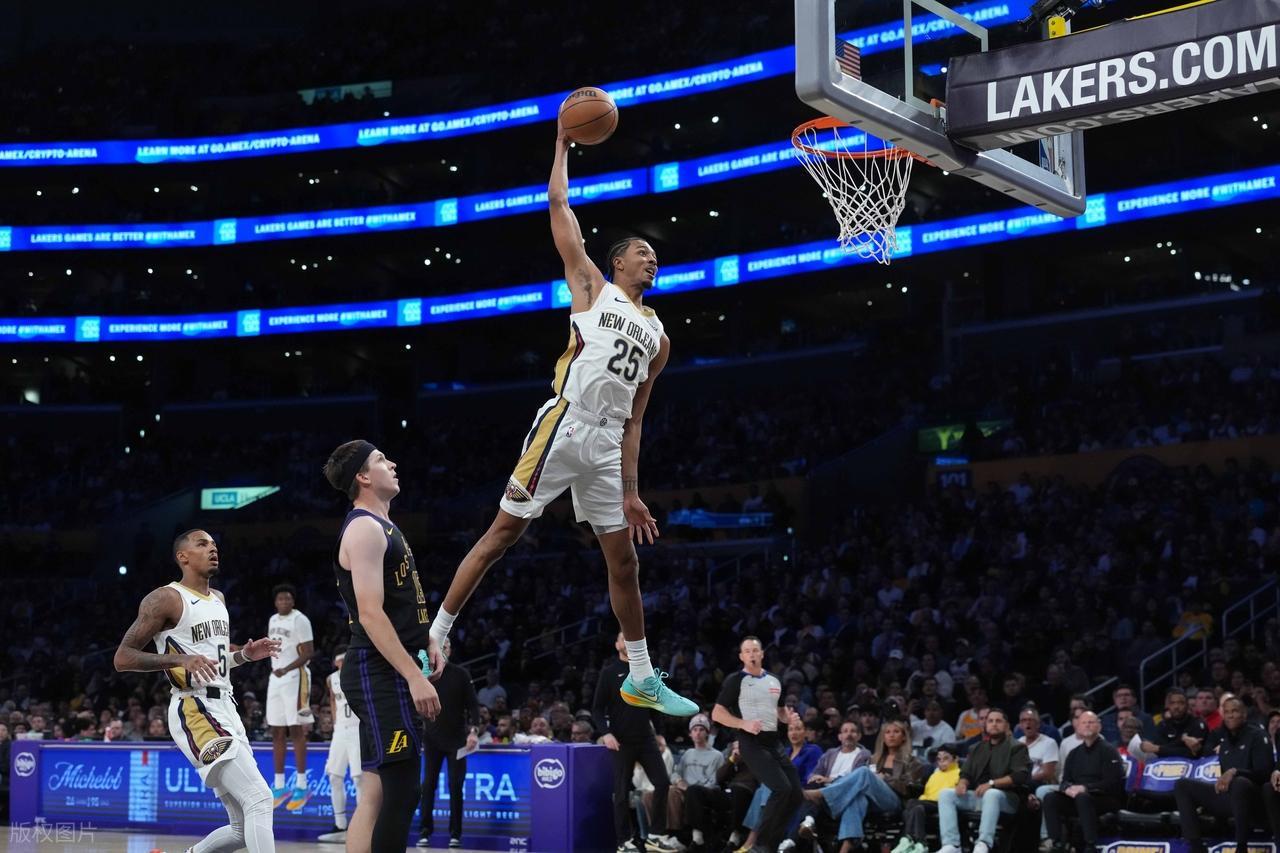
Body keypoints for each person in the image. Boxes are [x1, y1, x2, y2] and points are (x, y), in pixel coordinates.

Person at [428, 120, 696, 721]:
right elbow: (559, 206)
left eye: (655, 255)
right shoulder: (592, 288)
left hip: (607, 445)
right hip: (565, 423)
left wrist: (631, 490)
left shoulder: (659, 338)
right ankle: (437, 635)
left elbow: (636, 420)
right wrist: (561, 145)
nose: (651, 258)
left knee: (624, 561)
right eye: (641, 252)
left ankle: (642, 676)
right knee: (502, 535)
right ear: (616, 263)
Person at [113, 528, 282, 852]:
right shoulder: (165, 598)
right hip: (195, 709)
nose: (212, 549)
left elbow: (212, 660)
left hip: (226, 707)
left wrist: (244, 655)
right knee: (260, 798)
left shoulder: (218, 598)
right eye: (202, 544)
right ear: (183, 557)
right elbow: (123, 658)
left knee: (241, 829)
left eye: (214, 544)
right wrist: (180, 659)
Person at [325, 440, 443, 853]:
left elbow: (398, 604)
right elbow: (371, 614)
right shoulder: (364, 529)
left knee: (375, 793)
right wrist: (414, 677)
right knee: (404, 790)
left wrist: (427, 638)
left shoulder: (383, 525)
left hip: (388, 667)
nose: (391, 463)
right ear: (362, 476)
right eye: (379, 459)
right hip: (378, 672)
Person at [712, 636, 803, 853]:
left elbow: (780, 711)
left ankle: (770, 846)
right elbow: (717, 713)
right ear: (741, 656)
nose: (752, 654)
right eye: (747, 651)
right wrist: (743, 723)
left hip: (773, 742)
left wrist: (788, 719)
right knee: (781, 788)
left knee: (796, 795)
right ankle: (759, 846)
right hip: (751, 743)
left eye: (755, 650)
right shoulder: (735, 681)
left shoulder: (774, 680)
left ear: (762, 654)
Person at [592, 632, 680, 853]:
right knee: (621, 792)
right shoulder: (609, 672)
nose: (627, 641)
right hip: (621, 740)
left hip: (646, 739)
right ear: (617, 645)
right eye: (623, 638)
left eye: (630, 638)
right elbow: (597, 709)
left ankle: (655, 835)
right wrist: (606, 733)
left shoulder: (646, 671)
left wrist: (660, 733)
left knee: (662, 783)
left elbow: (656, 704)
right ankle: (624, 841)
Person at [800, 719, 925, 852]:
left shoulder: (913, 761)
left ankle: (822, 794)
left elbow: (911, 788)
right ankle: (846, 847)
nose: (891, 735)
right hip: (873, 801)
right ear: (883, 737)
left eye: (896, 732)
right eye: (888, 732)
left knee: (864, 772)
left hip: (895, 801)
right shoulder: (874, 758)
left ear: (904, 737)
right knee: (857, 798)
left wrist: (886, 779)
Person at [1173, 695, 1276, 853]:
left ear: (1244, 714)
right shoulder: (1225, 742)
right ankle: (1196, 846)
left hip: (1255, 801)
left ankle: (1241, 847)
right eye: (1226, 712)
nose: (1230, 715)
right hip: (1231, 799)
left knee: (1239, 782)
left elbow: (1265, 774)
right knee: (1182, 785)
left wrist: (1235, 772)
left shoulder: (1257, 736)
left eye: (1234, 711)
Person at [935, 708, 1030, 853]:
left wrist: (992, 784)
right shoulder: (976, 748)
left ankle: (983, 844)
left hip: (1007, 799)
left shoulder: (1017, 747)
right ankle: (952, 845)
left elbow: (1019, 776)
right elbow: (966, 773)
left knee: (991, 794)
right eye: (990, 721)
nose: (994, 724)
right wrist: (962, 783)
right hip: (979, 796)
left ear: (1006, 725)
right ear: (985, 725)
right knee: (946, 794)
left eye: (998, 721)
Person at [417, 638, 480, 849]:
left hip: (458, 741)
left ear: (450, 651)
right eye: (439, 646)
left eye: (445, 647)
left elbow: (473, 706)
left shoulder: (461, 674)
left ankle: (455, 835)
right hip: (431, 740)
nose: (442, 650)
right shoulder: (424, 674)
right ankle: (425, 832)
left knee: (455, 787)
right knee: (428, 786)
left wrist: (473, 732)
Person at [1041, 711, 1125, 853]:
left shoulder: (1108, 750)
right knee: (1050, 798)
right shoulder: (1074, 753)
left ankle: (1090, 845)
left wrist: (1085, 788)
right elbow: (1065, 780)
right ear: (1077, 727)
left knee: (1082, 797)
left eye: (1091, 722)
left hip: (1104, 797)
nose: (1087, 725)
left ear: (1099, 726)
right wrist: (1067, 788)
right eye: (1083, 723)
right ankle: (1056, 842)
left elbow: (1113, 782)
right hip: (1079, 797)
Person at [738, 714, 823, 850]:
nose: (794, 733)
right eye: (791, 729)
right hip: (782, 792)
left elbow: (811, 777)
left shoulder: (813, 750)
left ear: (805, 732)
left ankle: (752, 841)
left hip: (800, 791)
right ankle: (754, 840)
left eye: (798, 729)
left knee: (768, 789)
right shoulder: (784, 751)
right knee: (763, 789)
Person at [266, 583, 315, 810]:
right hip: (275, 677)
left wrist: (286, 669)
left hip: (295, 677)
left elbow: (309, 652)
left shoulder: (300, 620)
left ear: (293, 601)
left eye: (287, 598)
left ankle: (302, 786)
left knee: (296, 730)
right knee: (276, 730)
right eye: (280, 599)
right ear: (276, 602)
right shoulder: (272, 620)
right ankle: (280, 786)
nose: (284, 602)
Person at [319, 647, 361, 844]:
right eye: (339, 661)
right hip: (340, 731)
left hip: (357, 728)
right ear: (336, 662)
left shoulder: (360, 674)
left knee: (359, 778)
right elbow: (333, 701)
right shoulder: (331, 679)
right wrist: (335, 724)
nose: (342, 663)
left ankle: (362, 824)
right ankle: (340, 824)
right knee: (334, 776)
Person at [666, 713, 724, 846]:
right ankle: (671, 834)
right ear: (690, 734)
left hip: (704, 792)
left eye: (701, 729)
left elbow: (714, 781)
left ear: (707, 733)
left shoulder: (717, 755)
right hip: (685, 790)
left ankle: (684, 837)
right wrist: (679, 781)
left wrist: (694, 790)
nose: (698, 733)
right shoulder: (688, 754)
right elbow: (675, 774)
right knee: (669, 791)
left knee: (693, 792)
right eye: (695, 730)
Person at [892, 744, 960, 853]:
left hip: (943, 804)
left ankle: (907, 839)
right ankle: (921, 843)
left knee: (912, 803)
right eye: (939, 759)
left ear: (955, 759)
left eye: (946, 758)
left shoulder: (959, 774)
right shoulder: (935, 774)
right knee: (917, 808)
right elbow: (927, 792)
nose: (941, 762)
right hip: (928, 802)